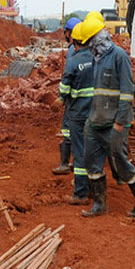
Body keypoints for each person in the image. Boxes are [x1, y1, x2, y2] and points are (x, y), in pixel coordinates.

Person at [76, 12, 135, 218]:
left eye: (90, 42)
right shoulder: (96, 58)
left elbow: (127, 92)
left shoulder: (119, 56)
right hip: (95, 122)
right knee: (91, 162)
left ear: (98, 38)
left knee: (120, 163)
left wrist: (120, 123)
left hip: (114, 125)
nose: (89, 46)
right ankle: (100, 204)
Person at [60, 24, 94, 204]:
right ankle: (94, 188)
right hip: (95, 113)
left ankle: (81, 193)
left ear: (74, 40)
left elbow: (65, 88)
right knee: (94, 151)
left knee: (80, 153)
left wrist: (61, 97)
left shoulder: (73, 61)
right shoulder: (97, 58)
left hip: (78, 112)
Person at [52, 16, 81, 175]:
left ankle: (65, 163)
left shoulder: (73, 51)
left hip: (73, 98)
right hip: (84, 100)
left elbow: (68, 76)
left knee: (69, 130)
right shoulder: (88, 51)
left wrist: (62, 97)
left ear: (70, 33)